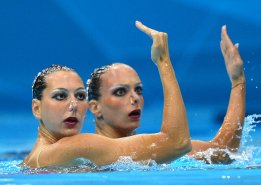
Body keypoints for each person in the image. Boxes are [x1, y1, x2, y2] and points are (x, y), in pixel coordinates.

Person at [23, 21, 191, 168]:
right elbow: (177, 143)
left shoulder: (32, 160)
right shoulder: (77, 146)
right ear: (37, 108)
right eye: (60, 96)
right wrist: (163, 60)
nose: (73, 105)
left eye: (80, 96)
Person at [88, 24, 245, 164]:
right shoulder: (83, 150)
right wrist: (163, 60)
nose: (135, 98)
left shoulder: (161, 149)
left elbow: (223, 152)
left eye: (138, 90)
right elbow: (176, 142)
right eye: (120, 91)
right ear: (95, 107)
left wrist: (238, 82)